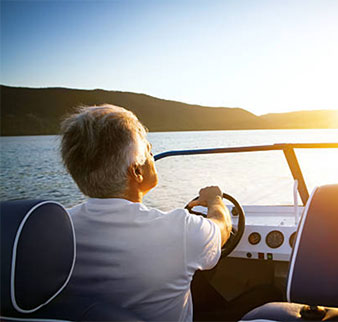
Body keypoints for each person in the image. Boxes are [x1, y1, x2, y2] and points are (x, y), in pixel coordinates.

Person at [60, 104, 232, 321]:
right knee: (267, 295)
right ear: (137, 171)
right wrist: (215, 199)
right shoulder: (181, 230)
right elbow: (223, 228)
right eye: (148, 150)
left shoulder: (55, 230)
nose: (152, 154)